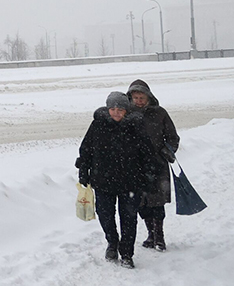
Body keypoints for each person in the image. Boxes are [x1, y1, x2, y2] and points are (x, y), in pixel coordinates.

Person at [76, 91, 159, 269]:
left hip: (131, 182)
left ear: (126, 111)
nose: (116, 113)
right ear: (108, 109)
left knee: (128, 218)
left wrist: (149, 176)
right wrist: (83, 169)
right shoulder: (98, 125)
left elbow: (147, 153)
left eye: (120, 109)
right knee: (105, 215)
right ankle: (112, 242)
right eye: (112, 109)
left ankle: (127, 253)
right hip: (103, 180)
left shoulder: (136, 126)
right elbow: (86, 149)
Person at [127, 79, 180, 251]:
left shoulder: (160, 113)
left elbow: (173, 137)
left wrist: (167, 151)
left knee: (157, 202)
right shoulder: (126, 114)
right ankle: (150, 234)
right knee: (142, 203)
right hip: (136, 166)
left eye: (142, 97)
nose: (139, 101)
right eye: (135, 98)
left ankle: (159, 236)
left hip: (157, 164)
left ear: (149, 97)